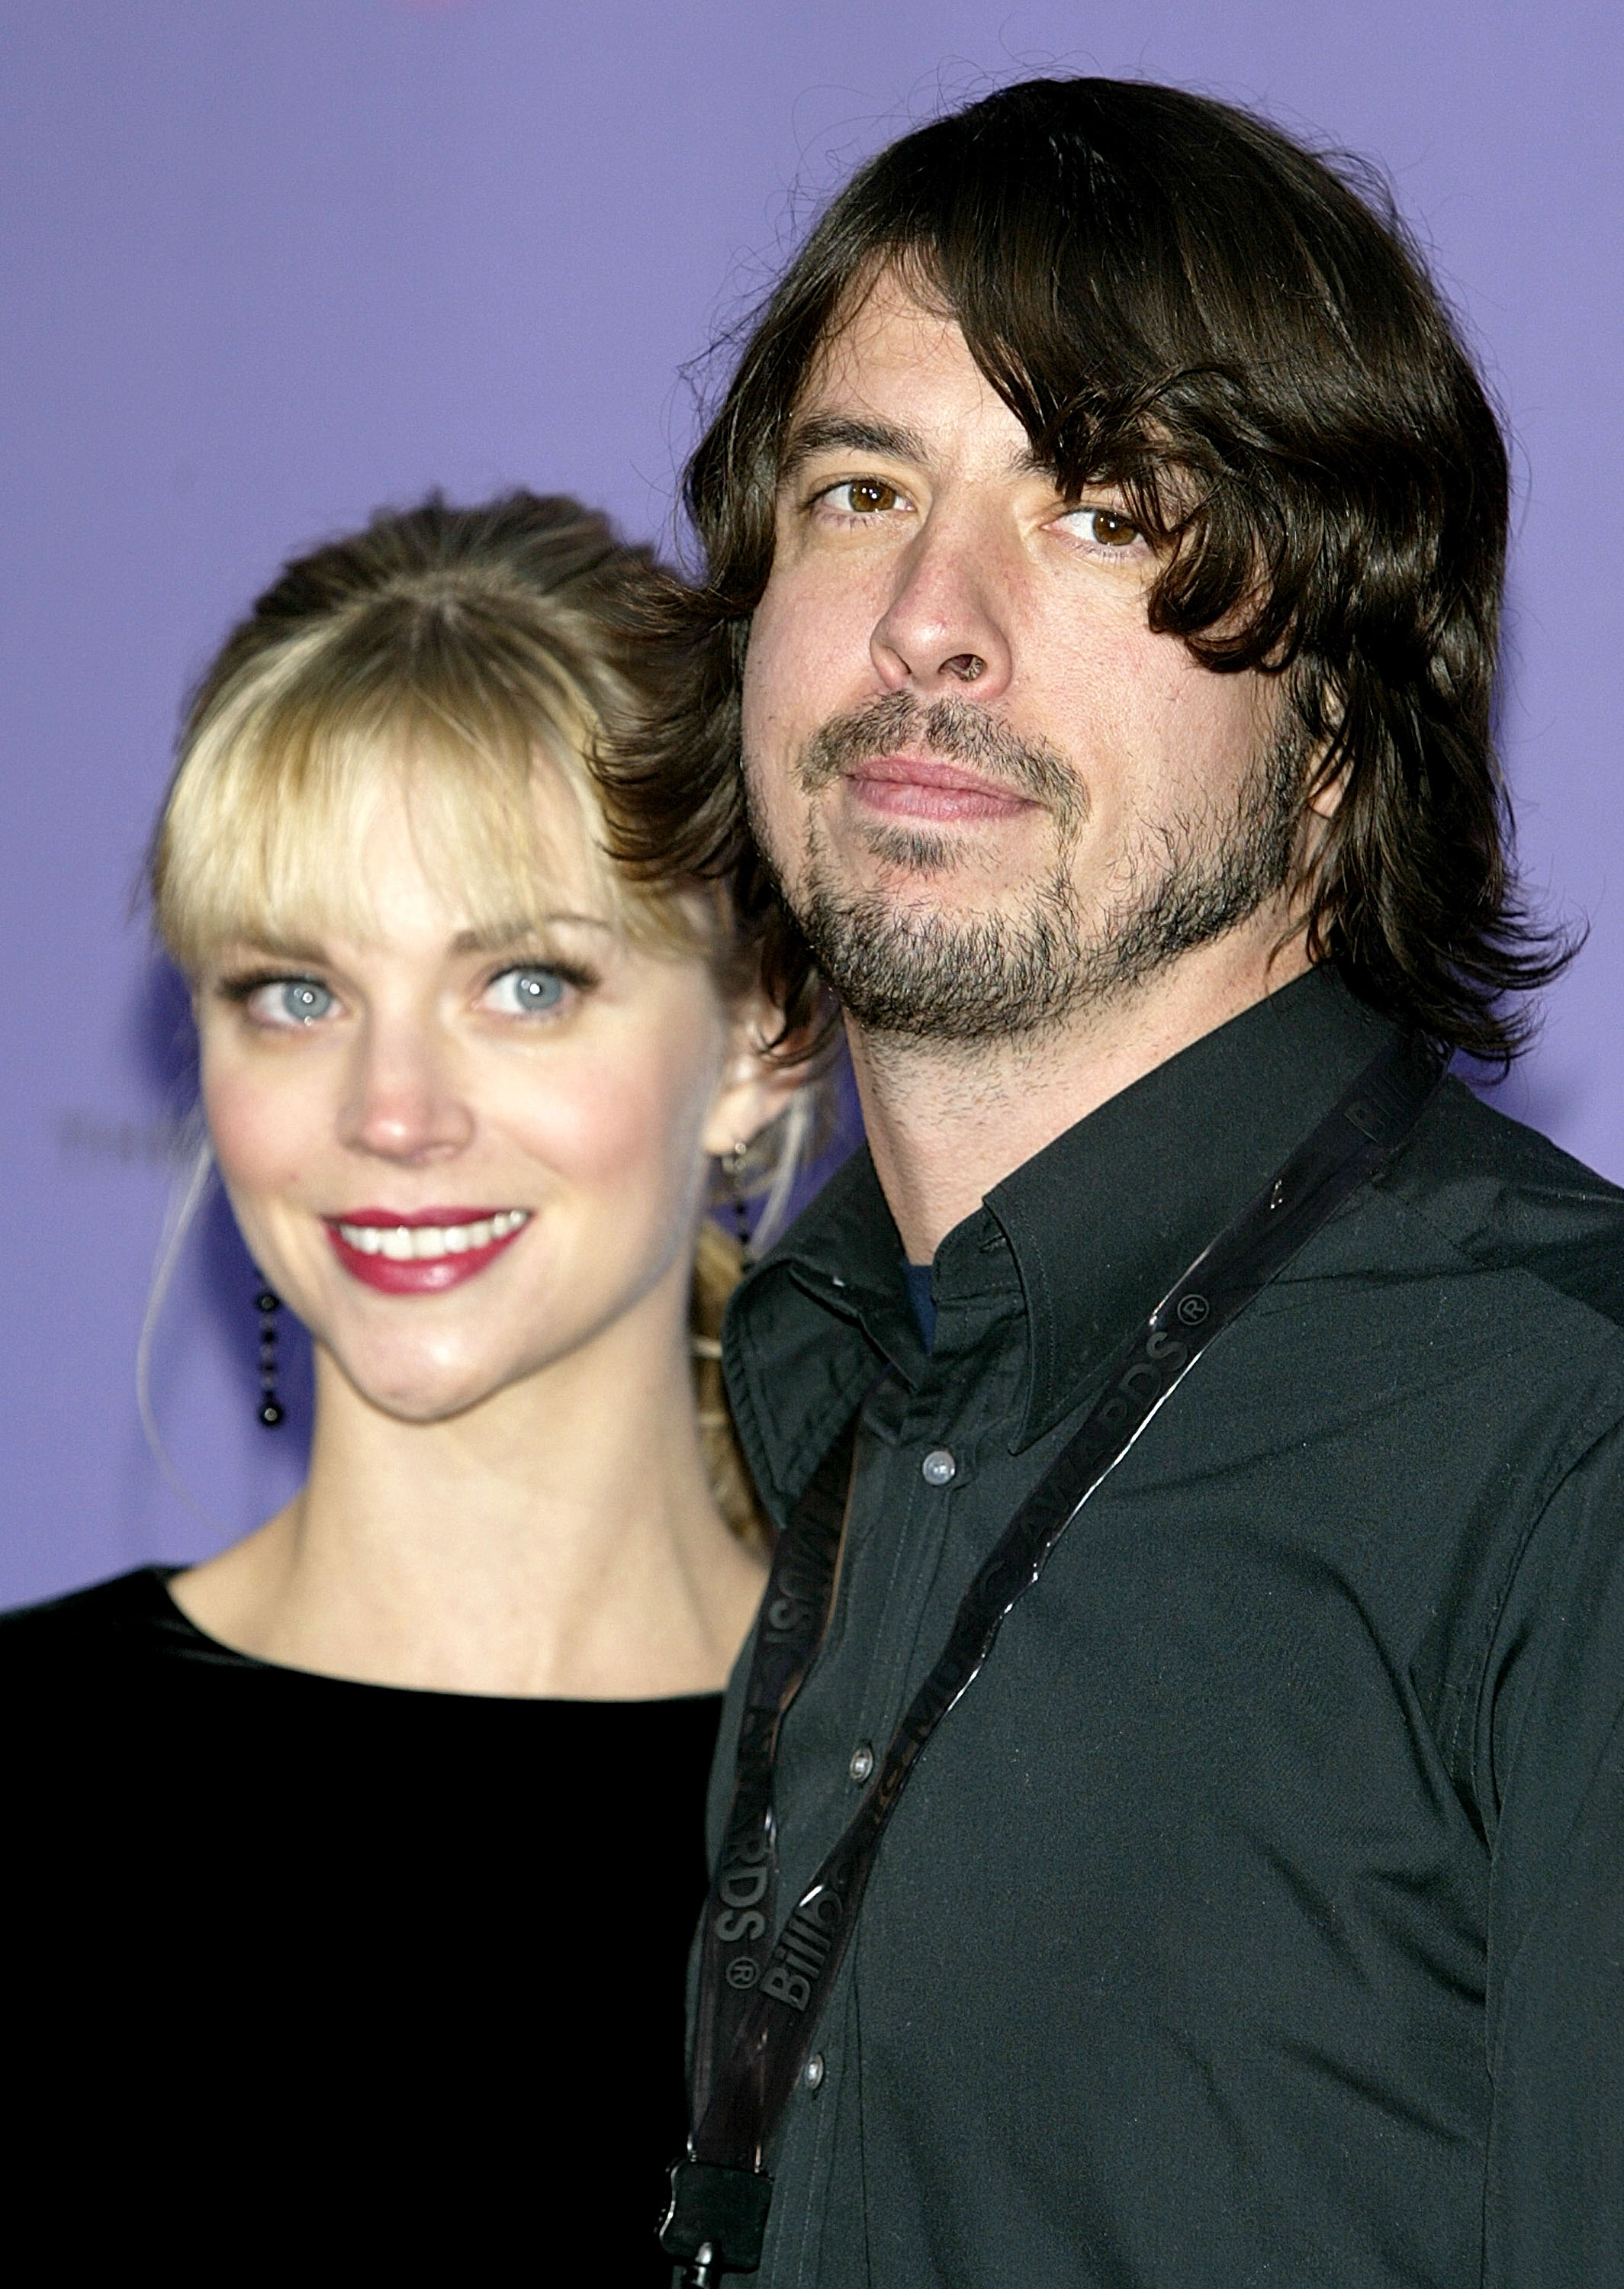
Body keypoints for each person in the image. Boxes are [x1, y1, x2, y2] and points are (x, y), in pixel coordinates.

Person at [611, 79, 1624, 2288]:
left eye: (1100, 513)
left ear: (1331, 723)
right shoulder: (819, 1400)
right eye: (855, 488)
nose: (929, 619)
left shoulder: (1610, 1446)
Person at [0, 492, 811, 2280]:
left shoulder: (954, 1826)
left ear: (761, 1028)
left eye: (525, 982)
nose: (392, 1114)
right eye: (294, 993)